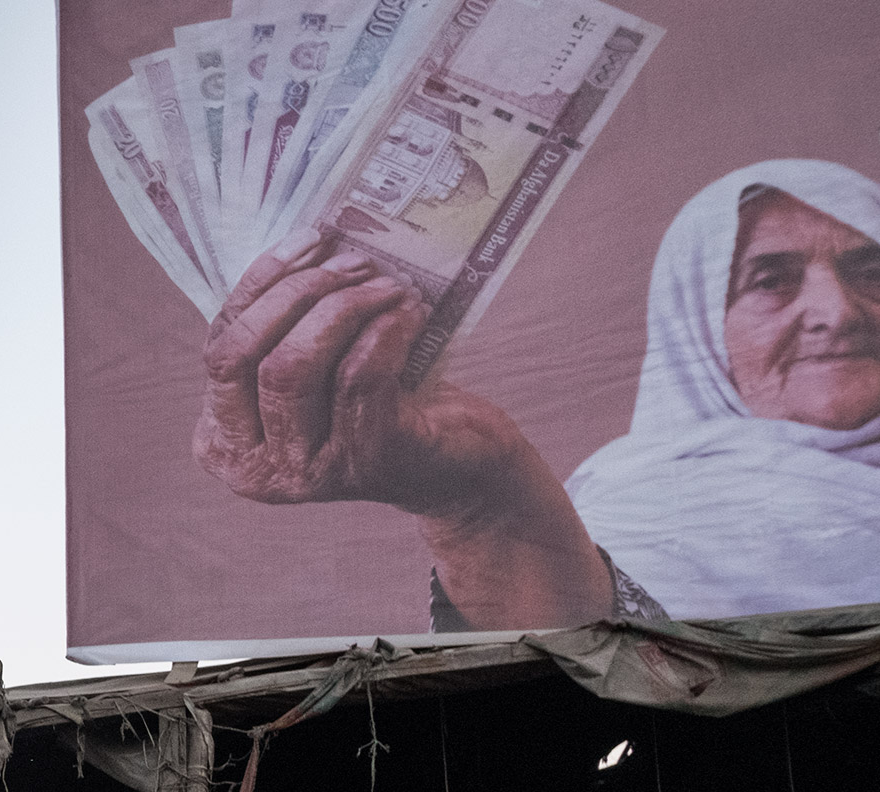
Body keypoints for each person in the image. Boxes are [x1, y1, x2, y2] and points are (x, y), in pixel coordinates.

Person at [197, 160, 880, 631]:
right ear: (694, 324)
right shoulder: (640, 508)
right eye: (770, 280)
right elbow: (593, 698)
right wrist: (479, 508)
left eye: (868, 270)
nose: (839, 311)